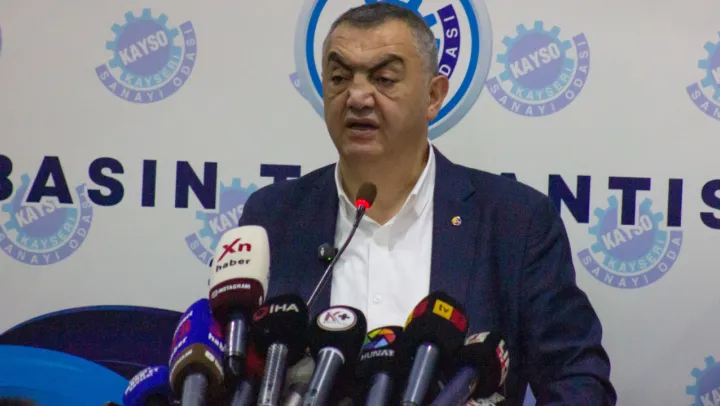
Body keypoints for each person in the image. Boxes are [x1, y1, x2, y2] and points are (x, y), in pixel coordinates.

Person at [237, 3, 616, 405]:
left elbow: (577, 379)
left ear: (433, 96)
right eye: (339, 78)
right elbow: (233, 372)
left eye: (384, 79)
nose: (357, 96)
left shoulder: (515, 222)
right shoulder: (273, 218)